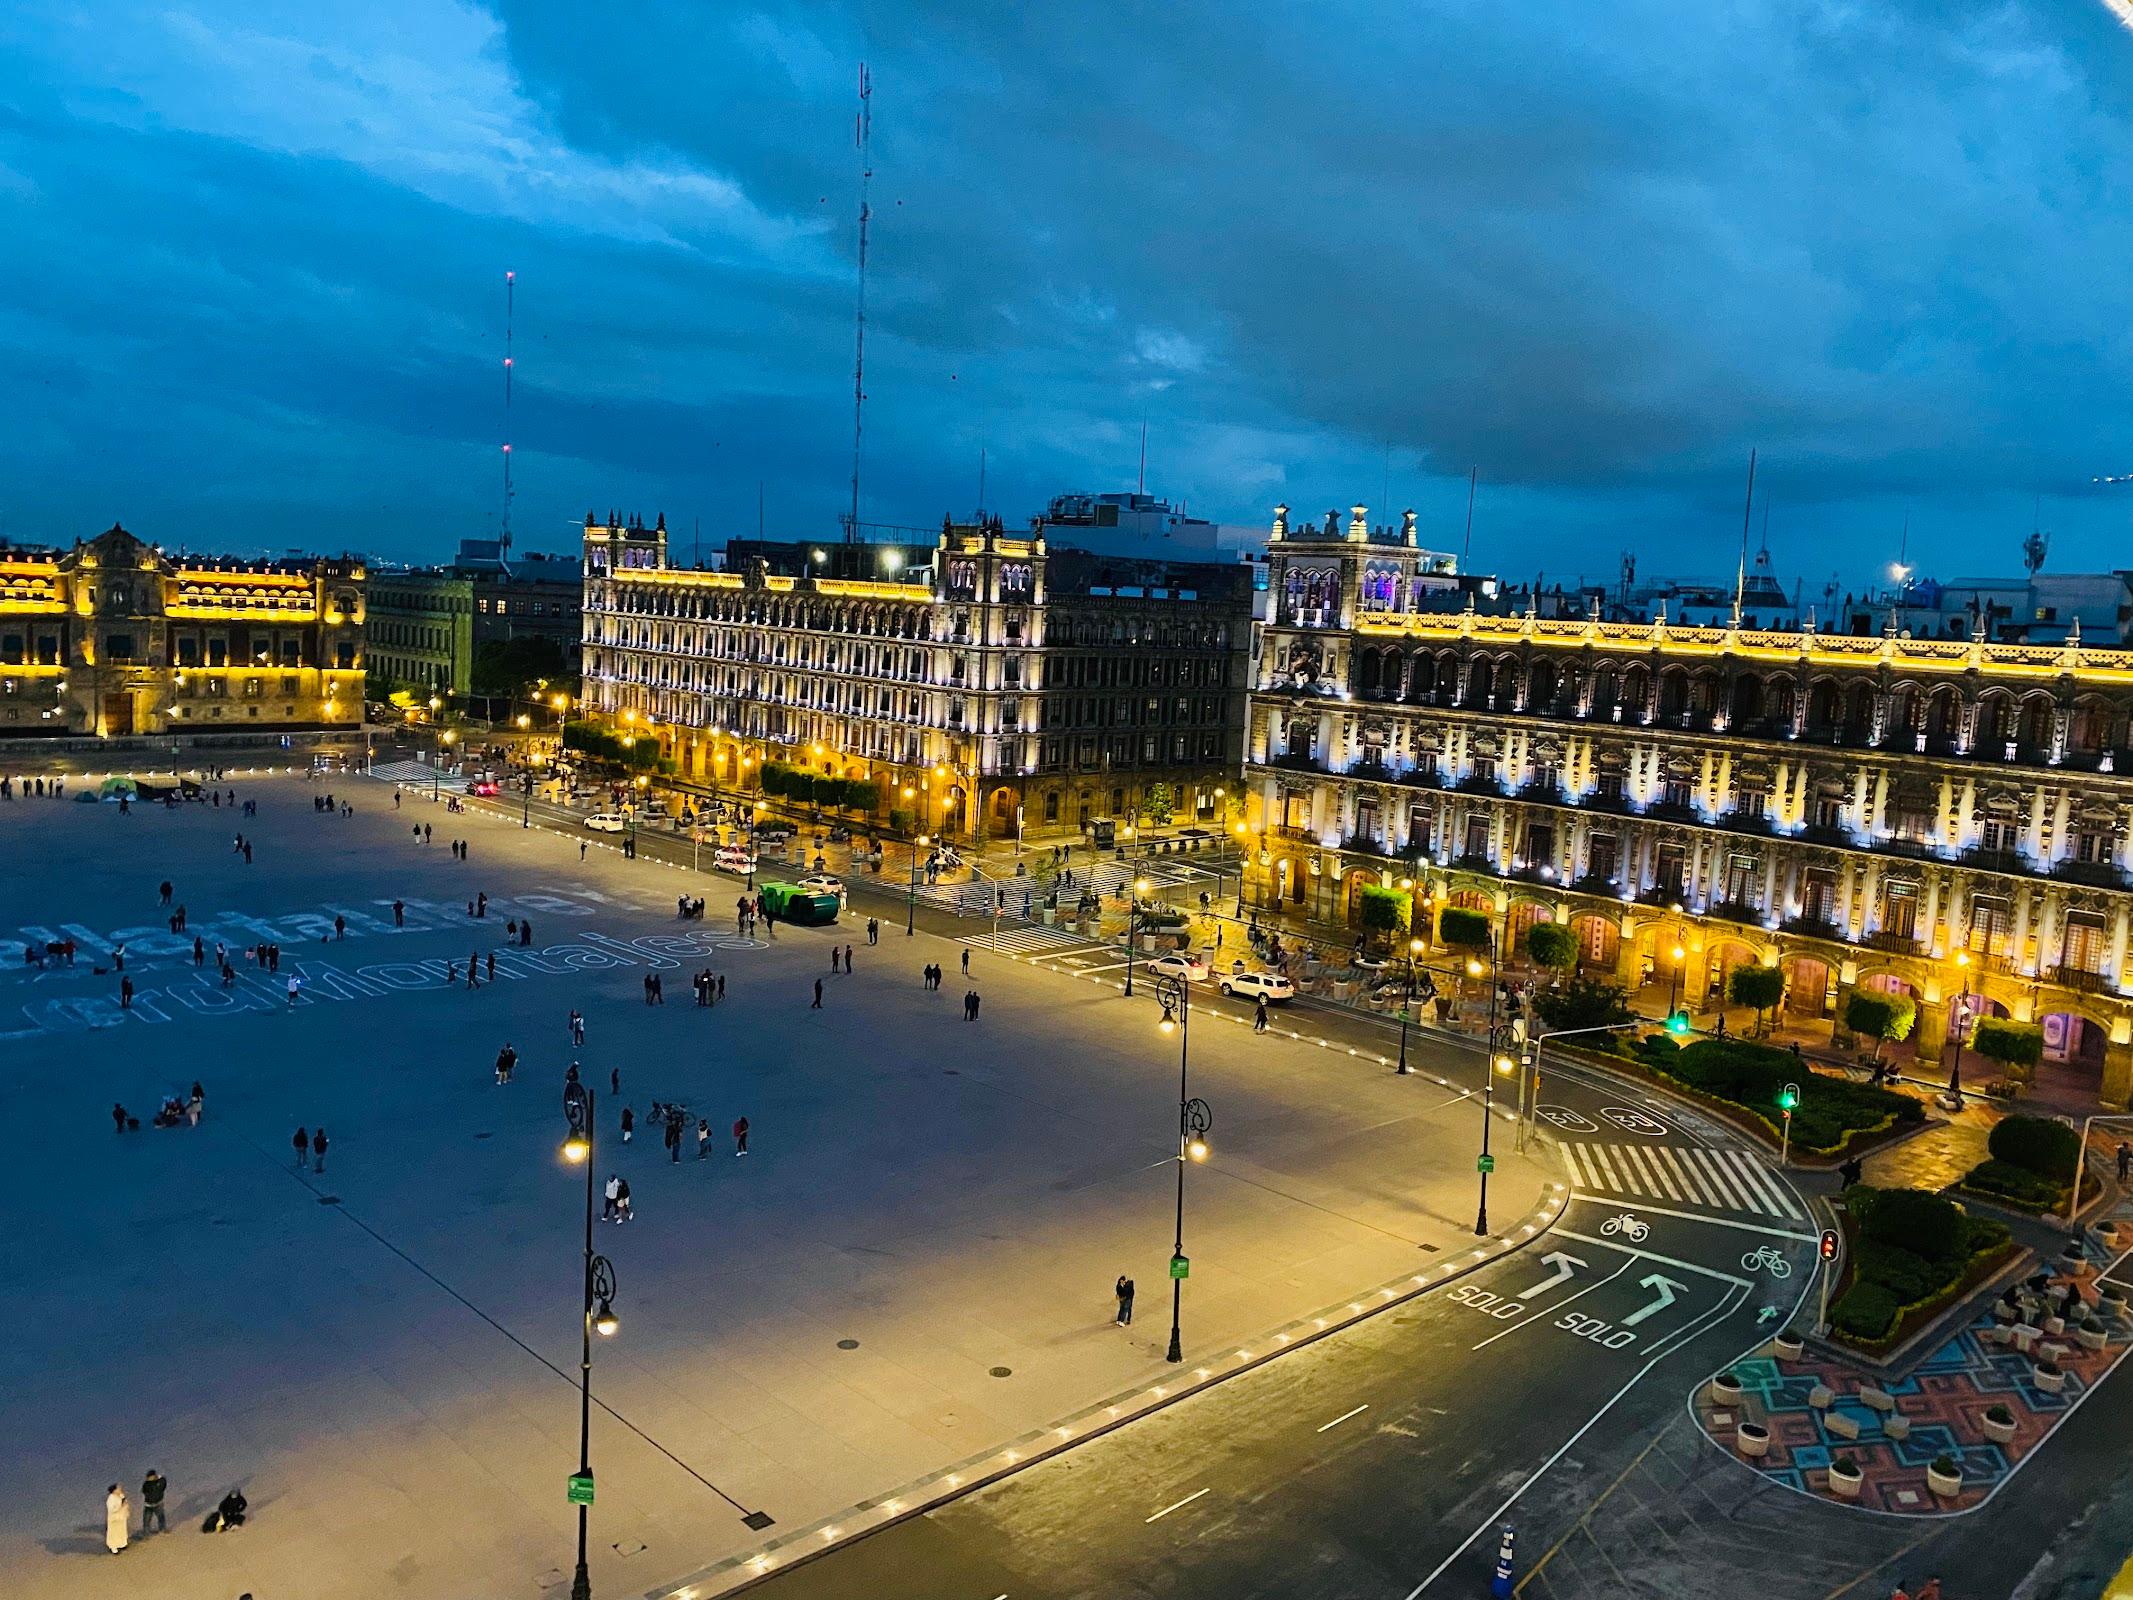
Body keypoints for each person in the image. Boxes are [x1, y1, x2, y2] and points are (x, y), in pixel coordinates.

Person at [140, 1469, 167, 1536]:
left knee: (160, 1518)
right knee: (146, 1520)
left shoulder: (160, 1481)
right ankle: (146, 1533)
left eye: (150, 1477)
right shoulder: (146, 1484)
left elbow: (163, 1485)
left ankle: (162, 1529)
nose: (148, 1478)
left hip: (158, 1503)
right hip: (149, 1505)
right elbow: (144, 1491)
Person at [105, 1483, 128, 1554]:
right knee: (114, 1533)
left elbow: (125, 1502)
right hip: (114, 1519)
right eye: (118, 1488)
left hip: (121, 1517)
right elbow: (112, 1509)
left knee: (122, 1531)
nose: (120, 1489)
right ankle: (113, 1547)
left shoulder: (121, 1495)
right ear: (114, 1490)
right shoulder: (110, 1499)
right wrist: (121, 1506)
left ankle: (122, 1543)